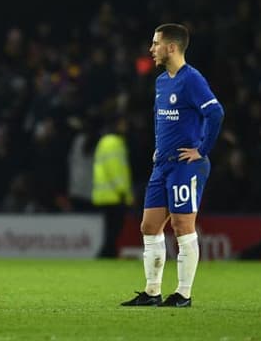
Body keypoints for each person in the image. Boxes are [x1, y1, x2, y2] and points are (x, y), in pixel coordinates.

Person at [121, 23, 224, 307]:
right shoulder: (162, 81)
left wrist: (201, 150)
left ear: (172, 47)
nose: (151, 49)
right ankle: (152, 292)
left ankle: (183, 293)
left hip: (185, 165)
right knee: (149, 226)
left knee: (181, 225)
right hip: (163, 164)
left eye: (155, 43)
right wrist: (158, 147)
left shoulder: (192, 80)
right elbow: (160, 118)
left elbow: (216, 113)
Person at [92, 113, 133, 258]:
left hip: (108, 194)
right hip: (113, 194)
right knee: (114, 229)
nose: (125, 126)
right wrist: (122, 191)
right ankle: (106, 254)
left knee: (112, 229)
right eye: (122, 123)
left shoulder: (108, 141)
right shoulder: (112, 142)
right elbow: (114, 169)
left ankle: (109, 254)